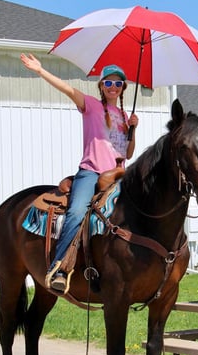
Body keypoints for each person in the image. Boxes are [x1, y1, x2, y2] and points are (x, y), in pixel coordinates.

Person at [20, 53, 139, 293]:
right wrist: (41, 71)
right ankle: (60, 268)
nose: (113, 87)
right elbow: (66, 88)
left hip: (118, 176)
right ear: (101, 86)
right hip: (92, 173)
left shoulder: (126, 117)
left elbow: (128, 153)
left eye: (117, 83)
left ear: (123, 88)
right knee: (76, 212)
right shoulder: (92, 106)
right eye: (108, 82)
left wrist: (133, 129)